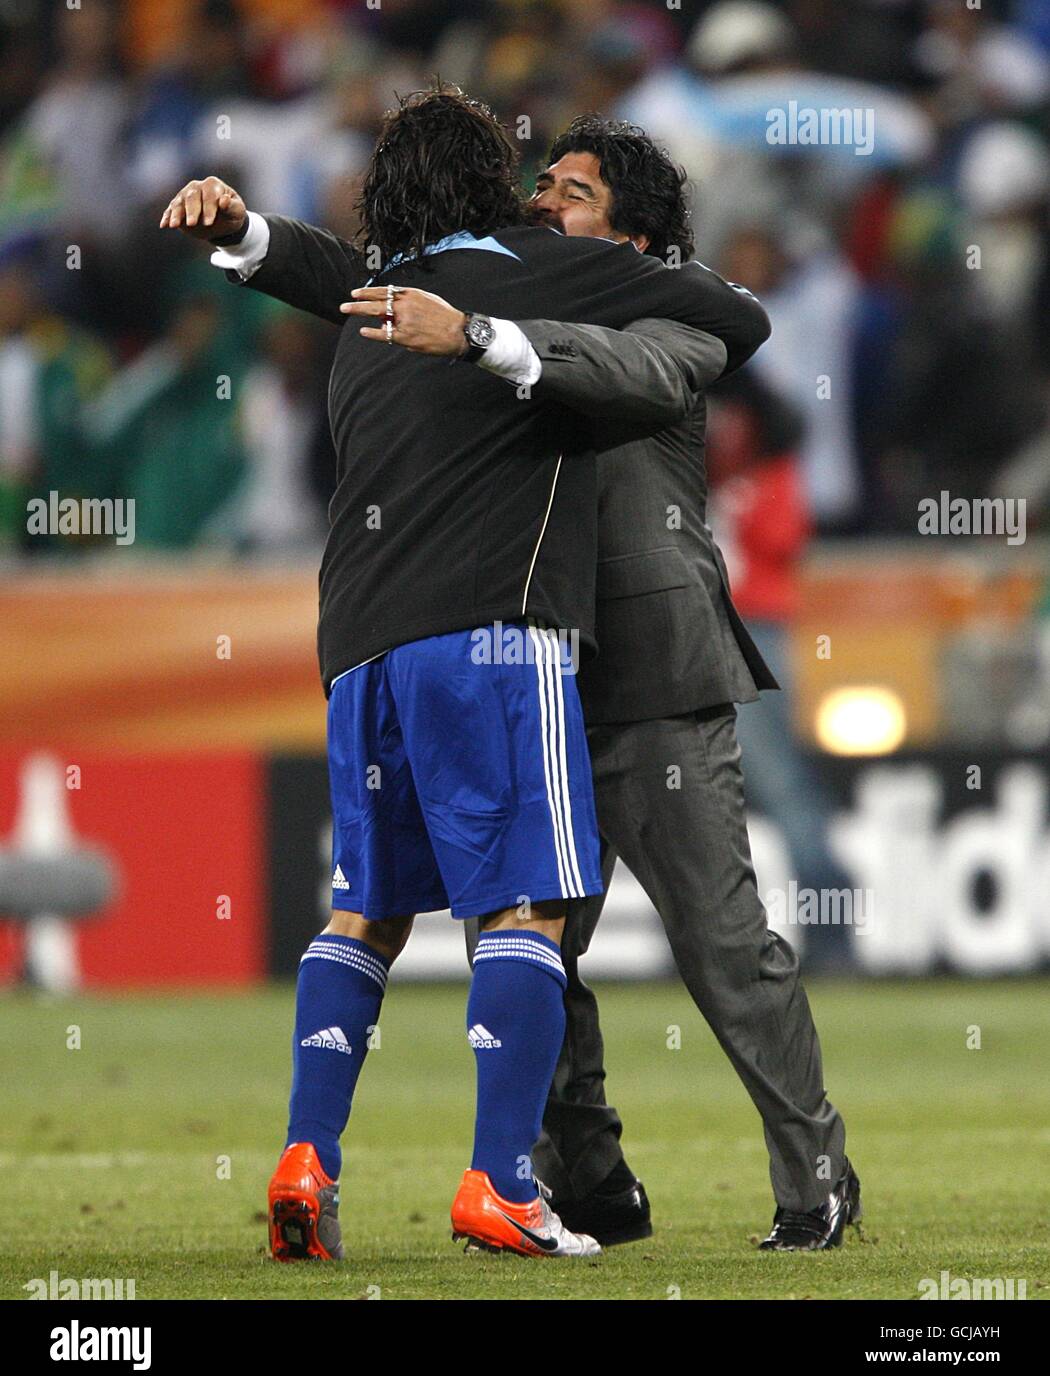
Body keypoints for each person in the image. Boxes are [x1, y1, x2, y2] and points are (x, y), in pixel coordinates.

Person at [162, 85, 771, 1261]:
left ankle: (305, 1159)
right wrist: (527, 330)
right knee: (528, 904)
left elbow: (305, 262)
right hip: (495, 629)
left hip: (356, 644)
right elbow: (729, 317)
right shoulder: (539, 270)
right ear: (497, 186)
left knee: (368, 909)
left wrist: (238, 234)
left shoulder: (367, 304)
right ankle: (501, 1184)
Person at [358, 116, 859, 1253]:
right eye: (540, 184)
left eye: (572, 193)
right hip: (534, 681)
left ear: (630, 237)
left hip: (653, 681)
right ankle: (587, 1183)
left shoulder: (663, 322)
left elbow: (624, 374)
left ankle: (816, 1179)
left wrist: (482, 333)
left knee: (724, 946)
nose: (544, 203)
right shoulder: (488, 324)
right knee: (526, 953)